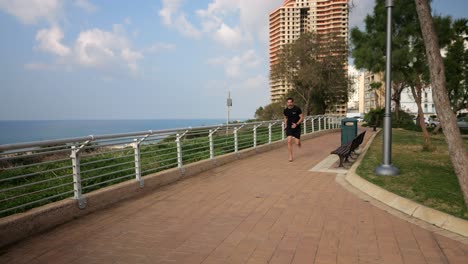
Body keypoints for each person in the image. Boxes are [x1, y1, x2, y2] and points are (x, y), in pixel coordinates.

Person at [283, 97, 303, 162]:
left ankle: (299, 142)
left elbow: (301, 118)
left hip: (297, 127)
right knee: (289, 141)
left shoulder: (297, 109)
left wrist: (296, 124)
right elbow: (285, 118)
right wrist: (285, 125)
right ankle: (290, 156)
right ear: (287, 103)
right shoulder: (285, 110)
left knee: (297, 143)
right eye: (288, 102)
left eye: (290, 102)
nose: (289, 104)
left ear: (293, 102)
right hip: (289, 127)